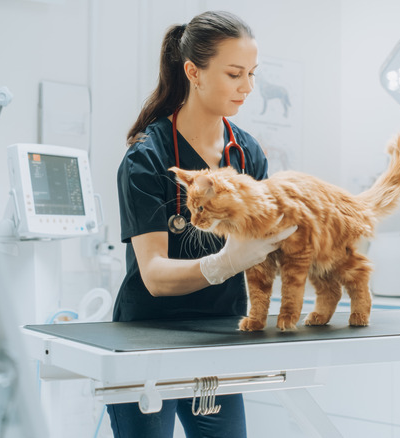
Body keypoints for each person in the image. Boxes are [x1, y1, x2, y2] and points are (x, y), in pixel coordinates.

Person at [111, 10, 296, 437]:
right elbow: (155, 276)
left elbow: (267, 240)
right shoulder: (148, 157)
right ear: (193, 71)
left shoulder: (247, 154)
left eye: (252, 74)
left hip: (218, 336)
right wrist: (223, 263)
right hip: (148, 337)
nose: (248, 87)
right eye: (235, 74)